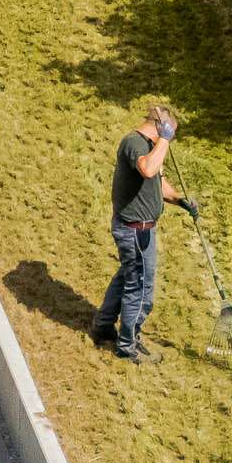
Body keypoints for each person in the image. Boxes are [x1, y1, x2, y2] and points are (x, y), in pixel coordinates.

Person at [97, 97, 187, 360]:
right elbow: (148, 169)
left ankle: (103, 326)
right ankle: (128, 346)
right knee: (141, 289)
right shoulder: (135, 143)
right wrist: (166, 140)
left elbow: (159, 183)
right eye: (172, 132)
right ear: (161, 126)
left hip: (140, 230)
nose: (172, 139)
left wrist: (182, 201)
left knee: (127, 277)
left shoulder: (149, 146)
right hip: (135, 231)